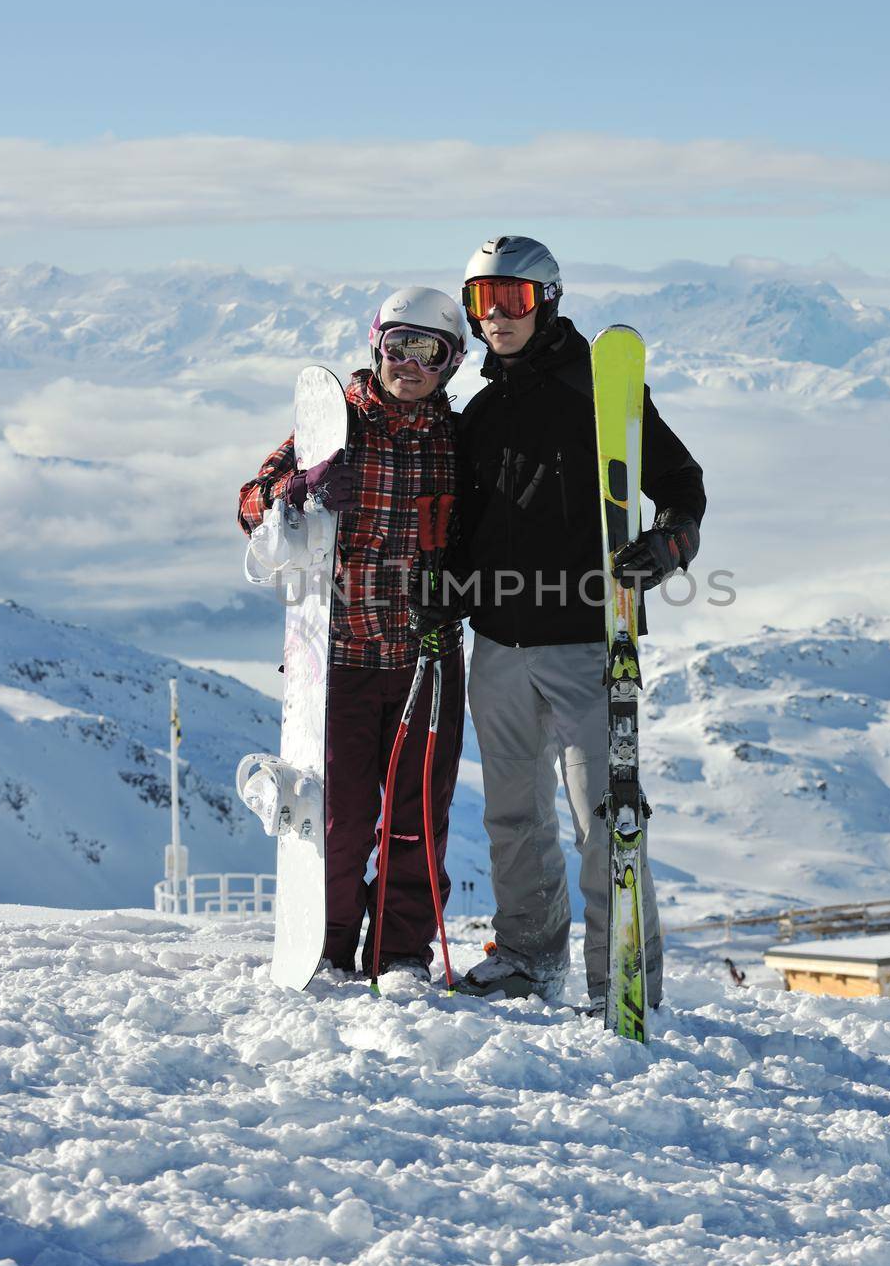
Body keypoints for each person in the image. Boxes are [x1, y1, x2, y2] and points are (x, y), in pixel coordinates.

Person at [414, 234, 706, 1008]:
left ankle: (621, 979)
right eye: (482, 302)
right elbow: (467, 524)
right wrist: (450, 584)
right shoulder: (478, 414)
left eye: (511, 299)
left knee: (605, 821)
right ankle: (526, 956)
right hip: (498, 643)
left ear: (546, 301)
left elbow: (678, 483)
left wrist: (672, 541)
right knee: (513, 815)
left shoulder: (599, 392)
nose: (496, 316)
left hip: (585, 641)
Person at [238, 288, 467, 982]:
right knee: (335, 822)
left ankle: (397, 952)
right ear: (376, 345)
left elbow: (483, 534)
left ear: (451, 364)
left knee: (417, 821)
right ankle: (330, 946)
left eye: (431, 351)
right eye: (399, 344)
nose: (411, 362)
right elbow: (251, 504)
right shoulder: (335, 428)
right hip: (337, 662)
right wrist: (300, 489)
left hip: (424, 658)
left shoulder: (455, 442)